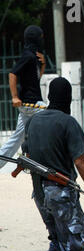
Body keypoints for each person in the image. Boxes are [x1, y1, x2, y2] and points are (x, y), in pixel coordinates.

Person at [22, 77, 84, 251]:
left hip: (40, 195)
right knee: (76, 243)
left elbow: (26, 153)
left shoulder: (34, 121)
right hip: (61, 193)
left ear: (49, 97)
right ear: (68, 97)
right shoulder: (67, 122)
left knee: (59, 239)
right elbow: (80, 161)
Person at [0, 25, 47, 170]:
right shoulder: (28, 56)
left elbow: (36, 78)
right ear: (36, 38)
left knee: (16, 139)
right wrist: (14, 97)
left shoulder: (34, 56)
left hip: (29, 105)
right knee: (54, 117)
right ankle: (41, 159)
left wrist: (43, 63)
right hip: (31, 104)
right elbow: (13, 74)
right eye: (41, 37)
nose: (43, 39)